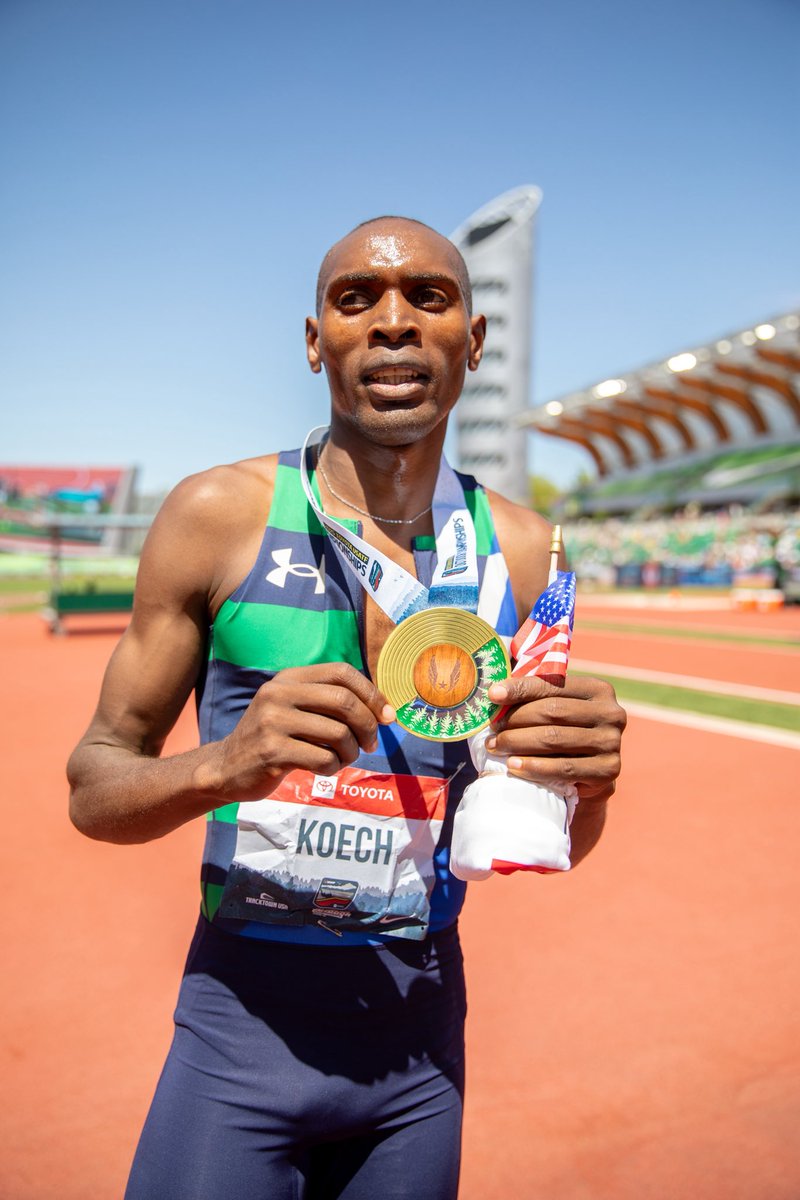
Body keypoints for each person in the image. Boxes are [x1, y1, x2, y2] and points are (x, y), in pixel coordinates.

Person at [68, 215, 626, 1200]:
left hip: (418, 1056)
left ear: (474, 339)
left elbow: (546, 836)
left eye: (429, 296)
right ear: (315, 339)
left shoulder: (529, 551)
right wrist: (227, 761)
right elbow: (95, 784)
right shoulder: (219, 516)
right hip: (237, 1045)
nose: (393, 322)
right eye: (356, 299)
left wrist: (587, 785)